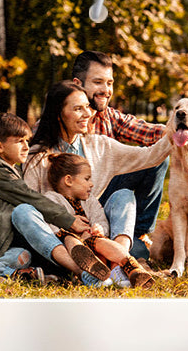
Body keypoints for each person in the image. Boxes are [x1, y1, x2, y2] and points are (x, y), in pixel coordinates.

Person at [0, 112, 111, 284]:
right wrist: (69, 220)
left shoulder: (16, 172)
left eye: (27, 141)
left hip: (0, 246)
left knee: (22, 255)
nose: (26, 147)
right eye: (19, 141)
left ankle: (0, 268)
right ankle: (13, 273)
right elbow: (30, 197)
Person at [23, 81, 171, 260]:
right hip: (60, 236)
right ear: (58, 114)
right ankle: (114, 260)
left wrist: (177, 133)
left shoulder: (99, 145)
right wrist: (68, 223)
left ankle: (118, 263)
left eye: (87, 107)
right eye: (78, 109)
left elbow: (149, 156)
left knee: (124, 196)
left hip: (97, 227)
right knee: (138, 251)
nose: (87, 114)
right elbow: (33, 205)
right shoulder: (37, 156)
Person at [70, 51, 170, 255]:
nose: (106, 90)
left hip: (105, 194)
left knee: (158, 159)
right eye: (98, 82)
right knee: (139, 252)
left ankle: (137, 233)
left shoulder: (108, 116)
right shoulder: (59, 119)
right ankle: (126, 247)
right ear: (78, 84)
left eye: (109, 83)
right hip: (74, 205)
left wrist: (181, 130)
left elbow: (148, 131)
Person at [42, 152, 156, 289]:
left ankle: (124, 270)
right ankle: (114, 272)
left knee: (100, 242)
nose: (91, 184)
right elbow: (51, 225)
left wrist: (99, 228)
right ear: (68, 180)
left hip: (93, 241)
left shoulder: (89, 201)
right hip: (72, 246)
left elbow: (100, 219)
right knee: (90, 245)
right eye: (87, 179)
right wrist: (74, 230)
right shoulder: (51, 199)